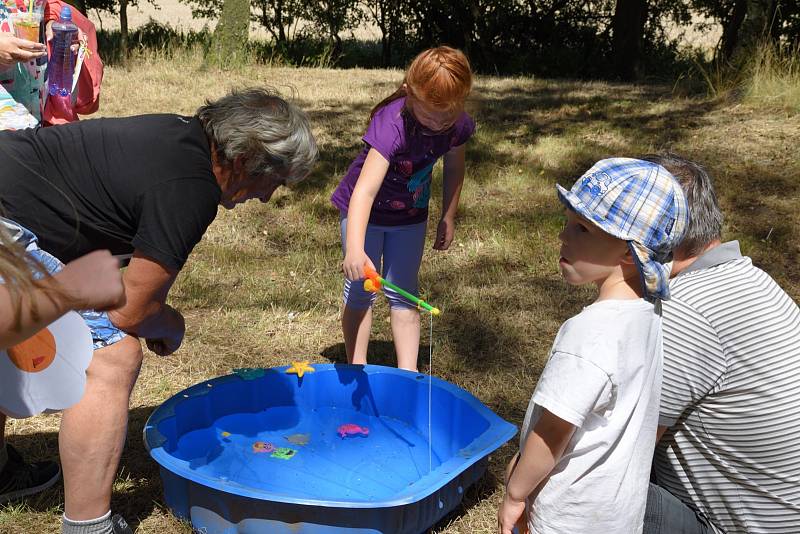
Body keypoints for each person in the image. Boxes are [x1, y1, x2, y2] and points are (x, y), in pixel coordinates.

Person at [0, 86, 317, 533]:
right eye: (274, 180)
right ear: (246, 160)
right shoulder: (190, 187)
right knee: (110, 355)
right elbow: (130, 312)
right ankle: (88, 527)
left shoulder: (179, 136)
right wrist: (172, 323)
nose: (266, 197)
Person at [497, 158, 689, 534]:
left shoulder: (589, 333)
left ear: (629, 254)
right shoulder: (647, 316)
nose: (563, 236)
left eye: (582, 228)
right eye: (568, 222)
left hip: (566, 516)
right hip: (617, 517)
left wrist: (517, 491)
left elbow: (554, 430)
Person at [641, 153, 800, 534]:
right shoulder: (754, 280)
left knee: (580, 480)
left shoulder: (681, 311)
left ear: (659, 236)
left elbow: (622, 445)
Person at [331, 45, 475, 371]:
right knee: (361, 291)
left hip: (410, 217)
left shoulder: (458, 126)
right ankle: (357, 368)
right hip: (364, 217)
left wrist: (448, 215)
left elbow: (454, 168)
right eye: (428, 115)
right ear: (410, 93)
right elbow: (364, 193)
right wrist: (354, 248)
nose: (438, 124)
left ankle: (407, 375)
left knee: (405, 294)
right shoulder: (392, 124)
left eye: (447, 116)